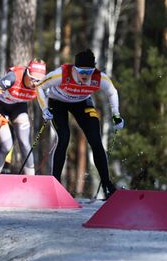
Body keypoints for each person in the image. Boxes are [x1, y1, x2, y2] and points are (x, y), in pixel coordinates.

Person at [36, 49, 124, 198]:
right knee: (64, 138)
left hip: (82, 103)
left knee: (96, 140)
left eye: (89, 71)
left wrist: (116, 115)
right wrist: (44, 108)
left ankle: (107, 184)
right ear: (74, 69)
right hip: (58, 102)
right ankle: (55, 184)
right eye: (81, 71)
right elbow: (39, 86)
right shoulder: (62, 74)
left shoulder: (99, 78)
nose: (85, 75)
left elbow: (112, 92)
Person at [0, 59, 47, 181]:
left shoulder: (43, 84)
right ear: (27, 73)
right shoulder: (13, 77)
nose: (35, 84)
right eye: (33, 79)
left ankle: (31, 183)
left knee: (25, 144)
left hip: (18, 107)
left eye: (39, 81)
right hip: (0, 107)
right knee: (7, 146)